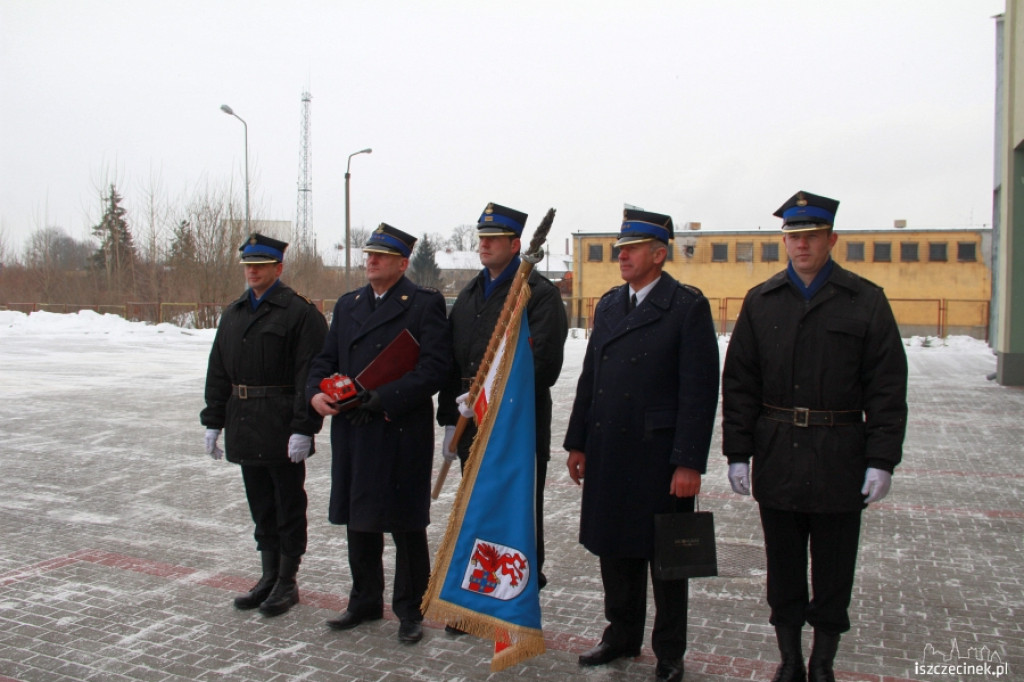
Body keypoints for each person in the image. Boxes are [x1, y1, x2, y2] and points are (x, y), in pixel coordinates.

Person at [721, 191, 908, 682]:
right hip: (779, 453)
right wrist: (738, 452)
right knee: (782, 567)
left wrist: (882, 460)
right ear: (784, 241)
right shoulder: (762, 301)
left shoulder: (864, 300)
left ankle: (823, 661)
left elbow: (887, 386)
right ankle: (790, 659)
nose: (801, 245)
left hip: (839, 456)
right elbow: (740, 383)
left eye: (811, 236)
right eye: (793, 236)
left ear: (831, 240)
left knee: (833, 569)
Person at [563, 209, 719, 682]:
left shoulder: (686, 306)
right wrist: (577, 442)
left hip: (659, 454)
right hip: (610, 447)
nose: (622, 256)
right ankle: (621, 633)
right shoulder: (610, 304)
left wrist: (689, 461)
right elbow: (591, 378)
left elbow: (700, 389)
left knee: (667, 558)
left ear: (659, 254)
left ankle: (669, 650)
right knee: (616, 548)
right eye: (618, 249)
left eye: (631, 249)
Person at [307, 223, 452, 644]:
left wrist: (381, 397)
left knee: (406, 524)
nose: (370, 260)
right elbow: (324, 359)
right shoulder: (349, 304)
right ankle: (365, 600)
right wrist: (315, 395)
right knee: (360, 520)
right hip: (354, 429)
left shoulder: (424, 305)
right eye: (369, 254)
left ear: (402, 263)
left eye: (381, 256)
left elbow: (434, 369)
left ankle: (411, 609)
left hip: (399, 428)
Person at [436, 202, 568, 598]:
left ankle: (518, 594)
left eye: (494, 239)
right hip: (469, 420)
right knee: (476, 508)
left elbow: (542, 366)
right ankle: (480, 591)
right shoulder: (470, 293)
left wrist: (488, 396)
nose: (485, 245)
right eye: (481, 238)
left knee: (516, 514)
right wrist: (447, 417)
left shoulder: (538, 295)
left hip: (515, 424)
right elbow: (450, 359)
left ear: (516, 245)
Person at [200, 233, 328, 617]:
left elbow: (312, 373)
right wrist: (213, 419)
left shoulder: (299, 314)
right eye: (247, 265)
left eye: (260, 265)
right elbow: (219, 370)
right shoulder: (234, 313)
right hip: (244, 422)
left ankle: (288, 580)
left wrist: (305, 427)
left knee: (288, 504)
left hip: (281, 423)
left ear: (278, 268)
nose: (252, 271)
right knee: (260, 505)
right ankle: (268, 575)